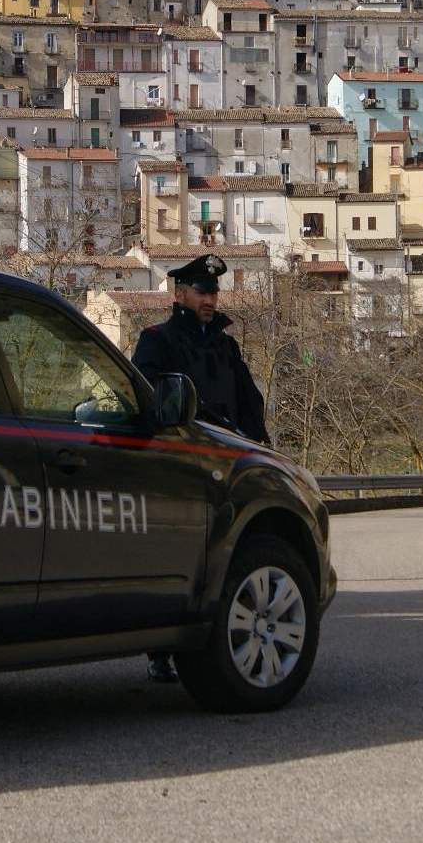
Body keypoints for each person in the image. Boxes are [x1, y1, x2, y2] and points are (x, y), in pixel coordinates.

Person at [132, 252, 269, 682]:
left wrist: (260, 449)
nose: (210, 299)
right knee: (175, 558)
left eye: (214, 292)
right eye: (201, 292)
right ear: (180, 294)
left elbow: (249, 404)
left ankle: (227, 642)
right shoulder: (157, 341)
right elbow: (146, 399)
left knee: (225, 560)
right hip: (179, 468)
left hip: (227, 467)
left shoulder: (226, 346)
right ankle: (161, 650)